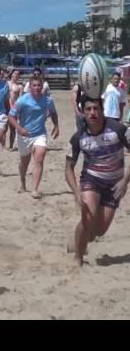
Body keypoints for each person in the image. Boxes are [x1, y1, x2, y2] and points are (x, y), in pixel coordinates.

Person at [65, 96, 130, 266]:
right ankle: (78, 258)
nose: (92, 112)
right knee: (88, 216)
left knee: (98, 231)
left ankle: (79, 239)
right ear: (83, 112)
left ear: (102, 110)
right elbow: (68, 168)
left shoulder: (118, 129)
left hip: (114, 184)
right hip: (91, 179)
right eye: (88, 109)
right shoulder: (78, 137)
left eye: (96, 109)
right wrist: (76, 192)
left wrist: (125, 181)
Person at [8, 77, 60, 199]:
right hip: (24, 135)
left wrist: (56, 126)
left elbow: (53, 112)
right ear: (30, 87)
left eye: (39, 86)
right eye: (34, 85)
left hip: (40, 134)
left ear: (42, 87)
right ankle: (22, 182)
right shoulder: (22, 101)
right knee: (24, 162)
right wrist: (19, 128)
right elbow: (11, 116)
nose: (37, 88)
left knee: (39, 158)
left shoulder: (47, 100)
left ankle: (35, 189)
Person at [6, 69, 23, 151]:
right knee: (2, 127)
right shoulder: (6, 83)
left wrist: (16, 107)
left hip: (13, 108)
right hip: (5, 107)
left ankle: (11, 145)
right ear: (11, 74)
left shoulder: (19, 86)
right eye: (15, 73)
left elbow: (20, 99)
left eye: (18, 73)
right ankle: (1, 144)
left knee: (12, 128)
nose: (16, 75)